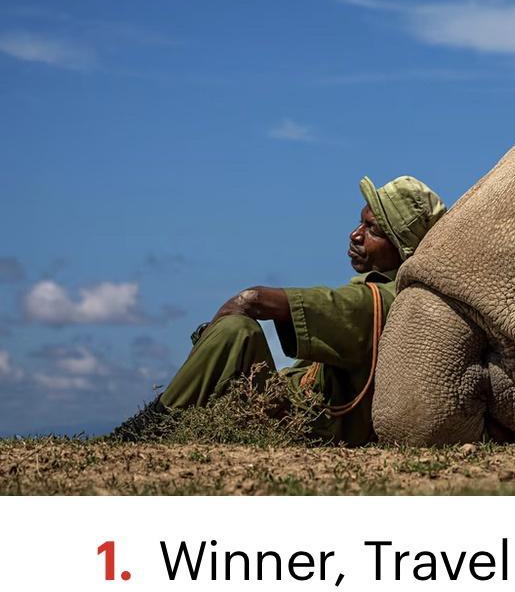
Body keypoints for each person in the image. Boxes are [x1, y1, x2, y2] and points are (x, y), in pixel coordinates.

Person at [110, 175, 446, 443]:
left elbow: (255, 300)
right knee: (235, 338)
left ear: (401, 248)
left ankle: (144, 432)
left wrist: (229, 320)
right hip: (294, 409)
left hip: (307, 426)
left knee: (237, 330)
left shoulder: (382, 300)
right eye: (360, 223)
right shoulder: (390, 295)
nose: (355, 235)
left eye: (373, 230)